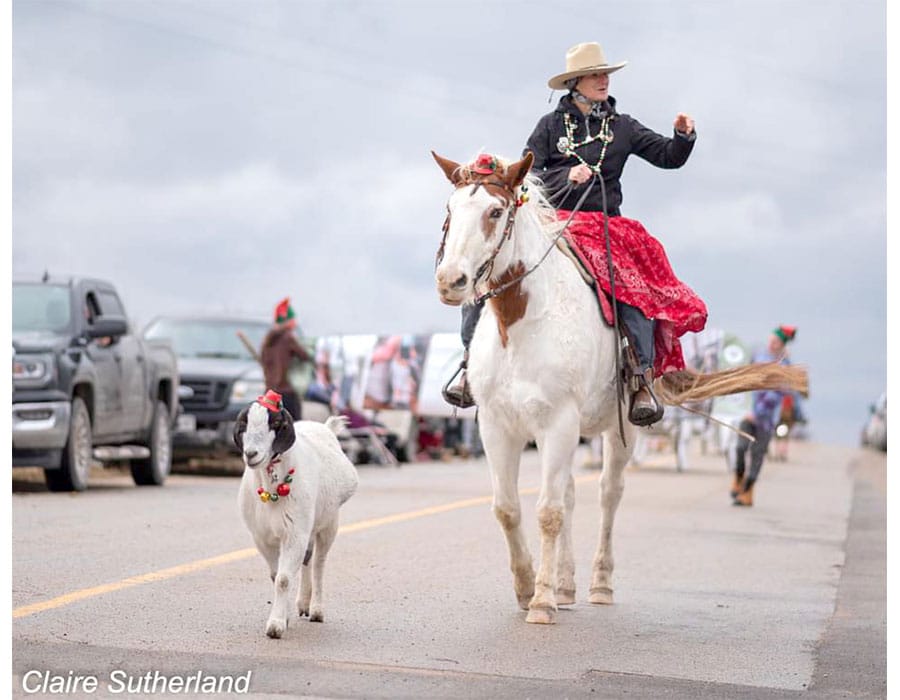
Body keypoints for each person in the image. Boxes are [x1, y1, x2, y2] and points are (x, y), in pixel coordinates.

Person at [444, 41, 708, 426]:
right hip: (551, 221)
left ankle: (639, 378)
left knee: (633, 286)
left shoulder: (623, 127)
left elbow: (668, 157)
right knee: (486, 271)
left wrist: (683, 137)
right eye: (596, 75)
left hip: (604, 225)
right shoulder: (550, 126)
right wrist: (564, 175)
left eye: (605, 75)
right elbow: (525, 177)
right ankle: (470, 366)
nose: (604, 80)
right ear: (576, 83)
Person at [731, 325, 797, 506]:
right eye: (770, 340)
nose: (771, 344)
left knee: (757, 455)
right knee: (739, 448)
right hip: (748, 413)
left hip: (765, 420)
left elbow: (774, 396)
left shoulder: (784, 366)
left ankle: (747, 492)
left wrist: (757, 413)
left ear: (781, 344)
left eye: (775, 342)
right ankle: (738, 478)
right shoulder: (759, 357)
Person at [259, 297, 312, 420]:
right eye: (293, 319)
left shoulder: (267, 340)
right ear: (287, 321)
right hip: (286, 392)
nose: (295, 322)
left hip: (270, 392)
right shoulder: (288, 338)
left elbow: (263, 360)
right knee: (295, 428)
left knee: (272, 427)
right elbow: (305, 356)